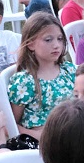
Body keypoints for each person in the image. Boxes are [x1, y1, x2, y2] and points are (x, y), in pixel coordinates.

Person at [7, 12, 75, 142]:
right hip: (39, 142)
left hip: (73, 134)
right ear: (31, 44)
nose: (56, 45)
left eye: (60, 39)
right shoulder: (24, 81)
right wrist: (36, 135)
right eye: (48, 40)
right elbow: (10, 125)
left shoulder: (69, 70)